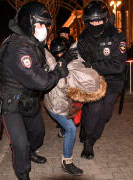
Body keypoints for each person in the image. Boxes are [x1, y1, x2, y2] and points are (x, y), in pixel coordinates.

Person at [0, 2, 69, 180]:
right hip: (11, 102)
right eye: (40, 24)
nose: (45, 29)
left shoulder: (34, 43)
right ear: (28, 23)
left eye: (46, 25)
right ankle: (23, 172)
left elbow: (42, 68)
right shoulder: (17, 48)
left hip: (29, 99)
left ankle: (30, 152)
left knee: (38, 135)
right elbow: (40, 81)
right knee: (20, 144)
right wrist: (57, 73)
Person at [45, 37, 107, 175]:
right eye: (57, 53)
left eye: (63, 53)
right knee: (72, 129)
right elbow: (60, 83)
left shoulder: (74, 59)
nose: (60, 55)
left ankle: (62, 131)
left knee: (74, 119)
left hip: (70, 100)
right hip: (56, 104)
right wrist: (63, 65)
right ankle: (67, 162)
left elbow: (79, 48)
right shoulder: (52, 65)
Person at [77, 1, 126, 159]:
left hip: (113, 82)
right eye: (92, 21)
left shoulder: (117, 37)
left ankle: (90, 132)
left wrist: (92, 65)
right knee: (95, 110)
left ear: (105, 19)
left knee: (105, 114)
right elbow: (81, 61)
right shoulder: (83, 38)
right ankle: (89, 142)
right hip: (93, 81)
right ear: (87, 21)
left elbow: (118, 66)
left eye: (98, 20)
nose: (95, 24)